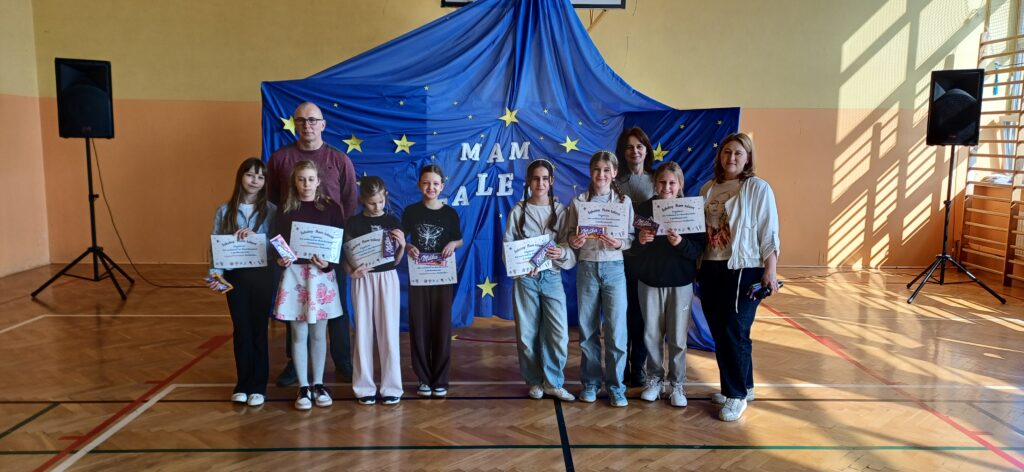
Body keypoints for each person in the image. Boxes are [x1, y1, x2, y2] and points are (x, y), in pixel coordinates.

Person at [267, 102, 358, 387]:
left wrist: (333, 242)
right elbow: (274, 202)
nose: (307, 125)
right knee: (296, 309)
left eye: (312, 120)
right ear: (295, 124)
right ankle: (295, 365)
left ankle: (342, 359)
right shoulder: (280, 158)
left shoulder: (339, 159)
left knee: (334, 305)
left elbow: (349, 201)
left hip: (329, 250)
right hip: (295, 256)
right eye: (301, 120)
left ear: (323, 124)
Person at [697, 132, 780, 422]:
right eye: (727, 152)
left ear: (748, 158)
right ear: (720, 156)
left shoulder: (757, 188)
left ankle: (735, 395)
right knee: (723, 331)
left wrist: (770, 270)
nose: (731, 157)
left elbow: (769, 231)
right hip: (710, 266)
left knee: (734, 329)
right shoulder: (708, 188)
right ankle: (744, 385)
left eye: (738, 153)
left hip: (743, 268)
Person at [273, 160, 345, 410]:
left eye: (310, 179)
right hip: (295, 277)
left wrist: (328, 264)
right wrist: (281, 259)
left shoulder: (331, 208)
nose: (306, 184)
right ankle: (303, 387)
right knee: (299, 334)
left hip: (321, 277)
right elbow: (278, 243)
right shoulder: (285, 208)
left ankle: (318, 384)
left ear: (318, 181)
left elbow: (338, 244)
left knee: (318, 334)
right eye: (301, 179)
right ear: (294, 181)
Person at [632, 162, 706, 407]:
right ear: (655, 184)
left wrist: (680, 243)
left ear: (680, 185)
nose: (666, 187)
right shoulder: (643, 209)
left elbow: (698, 249)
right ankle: (654, 379)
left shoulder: (690, 210)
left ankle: (677, 384)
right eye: (662, 182)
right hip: (649, 282)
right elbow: (631, 250)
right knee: (651, 335)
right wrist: (641, 240)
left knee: (677, 337)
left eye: (672, 183)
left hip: (680, 283)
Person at [564, 151, 634, 407]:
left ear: (614, 173)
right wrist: (575, 241)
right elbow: (570, 234)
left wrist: (619, 243)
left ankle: (616, 386)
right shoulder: (579, 202)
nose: (601, 174)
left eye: (606, 170)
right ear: (590, 172)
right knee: (588, 328)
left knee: (616, 330)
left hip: (614, 267)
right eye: (597, 169)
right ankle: (591, 382)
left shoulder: (624, 202)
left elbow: (630, 237)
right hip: (587, 267)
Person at [503, 160, 576, 402]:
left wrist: (561, 252)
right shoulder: (518, 211)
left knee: (558, 333)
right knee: (527, 334)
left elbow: (569, 246)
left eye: (545, 178)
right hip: (526, 280)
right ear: (528, 182)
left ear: (551, 181)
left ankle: (553, 382)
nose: (541, 183)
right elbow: (508, 247)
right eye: (536, 178)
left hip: (552, 277)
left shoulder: (561, 212)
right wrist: (521, 268)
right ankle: (534, 381)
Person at [208, 157, 276, 407]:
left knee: (258, 330)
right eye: (250, 175)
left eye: (260, 177)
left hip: (262, 276)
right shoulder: (224, 210)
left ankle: (259, 385)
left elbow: (277, 245)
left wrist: (257, 239)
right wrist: (216, 275)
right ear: (240, 177)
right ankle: (243, 384)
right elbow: (216, 245)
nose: (255, 180)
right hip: (235, 278)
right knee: (241, 330)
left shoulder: (271, 210)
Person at [402, 164, 463, 397]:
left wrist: (453, 244)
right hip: (419, 277)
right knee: (419, 327)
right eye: (426, 183)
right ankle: (423, 378)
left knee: (441, 327)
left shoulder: (449, 213)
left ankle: (440, 379)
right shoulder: (411, 212)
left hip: (442, 277)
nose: (431, 187)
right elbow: (402, 240)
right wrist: (408, 247)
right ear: (419, 184)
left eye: (435, 184)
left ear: (442, 186)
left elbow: (459, 240)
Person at [344, 176, 406, 406]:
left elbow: (396, 261)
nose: (376, 206)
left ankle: (392, 387)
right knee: (363, 331)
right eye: (371, 203)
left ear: (385, 197)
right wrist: (352, 272)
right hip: (363, 278)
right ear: (362, 200)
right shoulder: (353, 223)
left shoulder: (393, 220)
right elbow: (345, 255)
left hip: (387, 278)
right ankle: (364, 388)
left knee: (389, 332)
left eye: (380, 202)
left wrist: (402, 246)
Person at [615, 127, 656, 387]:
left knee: (642, 315)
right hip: (623, 257)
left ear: (646, 150)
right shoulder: (614, 183)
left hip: (650, 258)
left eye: (639, 146)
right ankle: (620, 365)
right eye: (629, 147)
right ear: (623, 151)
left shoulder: (657, 180)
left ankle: (638, 365)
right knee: (623, 313)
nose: (635, 151)